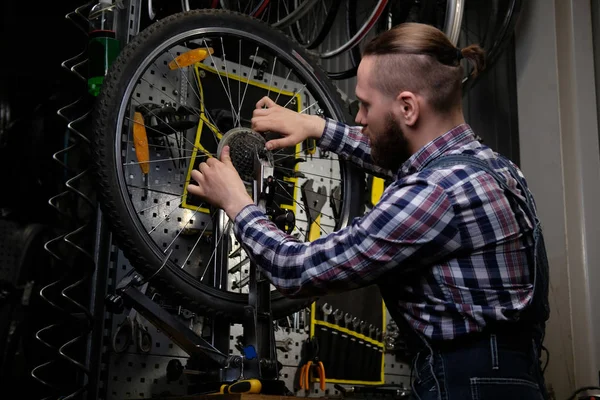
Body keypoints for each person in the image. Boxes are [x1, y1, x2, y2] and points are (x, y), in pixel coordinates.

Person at [187, 22, 550, 400]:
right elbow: (397, 157)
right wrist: (315, 126)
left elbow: (295, 270)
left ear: (407, 107)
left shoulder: (435, 194)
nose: (359, 118)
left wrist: (236, 203)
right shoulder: (492, 168)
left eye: (365, 105)